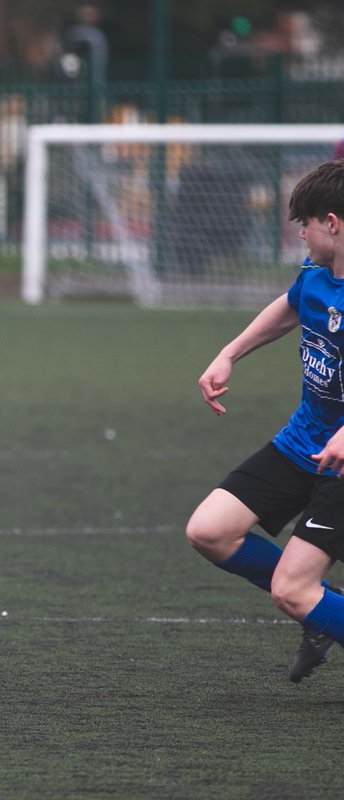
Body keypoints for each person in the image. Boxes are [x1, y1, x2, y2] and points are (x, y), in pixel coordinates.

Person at [187, 159, 344, 684]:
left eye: (305, 223)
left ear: (333, 222)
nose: (299, 232)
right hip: (304, 442)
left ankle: (315, 606)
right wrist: (229, 353)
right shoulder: (318, 277)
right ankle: (326, 612)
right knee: (210, 531)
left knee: (291, 591)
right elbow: (289, 306)